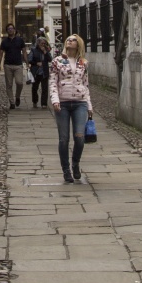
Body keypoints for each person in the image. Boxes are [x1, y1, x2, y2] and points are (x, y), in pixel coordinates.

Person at [49, 34, 92, 183]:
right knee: (64, 139)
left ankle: (75, 163)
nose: (70, 41)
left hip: (80, 103)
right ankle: (66, 169)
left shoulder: (83, 63)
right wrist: (55, 100)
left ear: (78, 44)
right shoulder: (57, 61)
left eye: (73, 40)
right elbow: (53, 82)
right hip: (63, 103)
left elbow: (85, 85)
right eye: (68, 39)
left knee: (79, 138)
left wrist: (89, 105)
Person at [0, 23, 28, 108]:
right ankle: (12, 102)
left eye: (12, 28)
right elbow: (0, 54)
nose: (10, 30)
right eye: (8, 29)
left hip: (18, 65)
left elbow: (24, 52)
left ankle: (17, 96)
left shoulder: (20, 40)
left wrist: (27, 62)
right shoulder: (4, 42)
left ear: (14, 30)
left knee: (19, 83)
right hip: (8, 65)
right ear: (7, 31)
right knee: (9, 85)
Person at [28, 30, 53, 108]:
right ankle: (35, 101)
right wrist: (36, 63)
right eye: (42, 43)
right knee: (35, 88)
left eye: (44, 43)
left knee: (45, 88)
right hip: (36, 71)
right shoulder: (33, 50)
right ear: (38, 43)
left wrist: (45, 52)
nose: (43, 45)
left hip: (44, 71)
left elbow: (50, 59)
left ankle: (44, 104)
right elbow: (30, 59)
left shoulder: (46, 51)